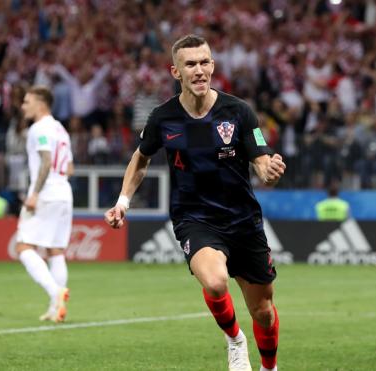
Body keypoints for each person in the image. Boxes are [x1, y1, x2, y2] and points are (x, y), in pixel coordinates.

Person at [104, 35, 285, 371]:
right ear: (176, 71)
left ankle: (269, 368)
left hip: (243, 220)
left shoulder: (239, 111)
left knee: (263, 310)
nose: (199, 70)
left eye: (204, 62)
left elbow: (260, 159)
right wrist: (123, 202)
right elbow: (140, 160)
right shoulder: (163, 118)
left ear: (213, 66)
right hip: (195, 218)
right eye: (190, 64)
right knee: (215, 282)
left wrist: (268, 169)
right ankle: (235, 340)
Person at [15, 86, 74, 323]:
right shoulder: (61, 129)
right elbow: (69, 168)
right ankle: (55, 308)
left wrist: (35, 194)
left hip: (46, 193)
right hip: (63, 192)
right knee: (55, 250)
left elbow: (46, 160)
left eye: (27, 102)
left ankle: (55, 292)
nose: (23, 106)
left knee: (23, 246)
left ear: (41, 105)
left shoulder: (39, 128)